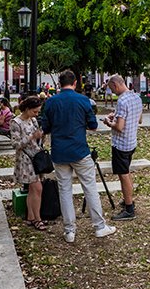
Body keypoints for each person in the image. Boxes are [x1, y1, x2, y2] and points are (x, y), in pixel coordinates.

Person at [42, 70, 116, 241]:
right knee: (89, 187)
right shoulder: (83, 100)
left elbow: (45, 127)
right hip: (79, 150)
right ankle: (99, 226)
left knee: (65, 190)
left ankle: (69, 231)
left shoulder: (51, 102)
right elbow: (93, 126)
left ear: (59, 84)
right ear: (75, 83)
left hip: (59, 152)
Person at [102, 75, 143, 221]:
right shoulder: (136, 97)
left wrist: (108, 121)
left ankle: (129, 208)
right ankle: (128, 199)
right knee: (126, 172)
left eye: (111, 88)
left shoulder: (122, 100)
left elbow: (119, 127)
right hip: (131, 142)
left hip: (121, 144)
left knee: (123, 174)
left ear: (115, 85)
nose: (112, 92)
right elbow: (139, 119)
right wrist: (117, 115)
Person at [10, 96, 46, 230]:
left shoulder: (33, 120)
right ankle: (38, 218)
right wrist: (31, 137)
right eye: (34, 111)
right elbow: (15, 144)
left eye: (38, 112)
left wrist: (40, 136)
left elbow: (39, 138)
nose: (36, 114)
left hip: (35, 157)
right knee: (37, 188)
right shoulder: (16, 122)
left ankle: (31, 216)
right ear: (27, 109)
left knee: (32, 189)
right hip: (25, 159)